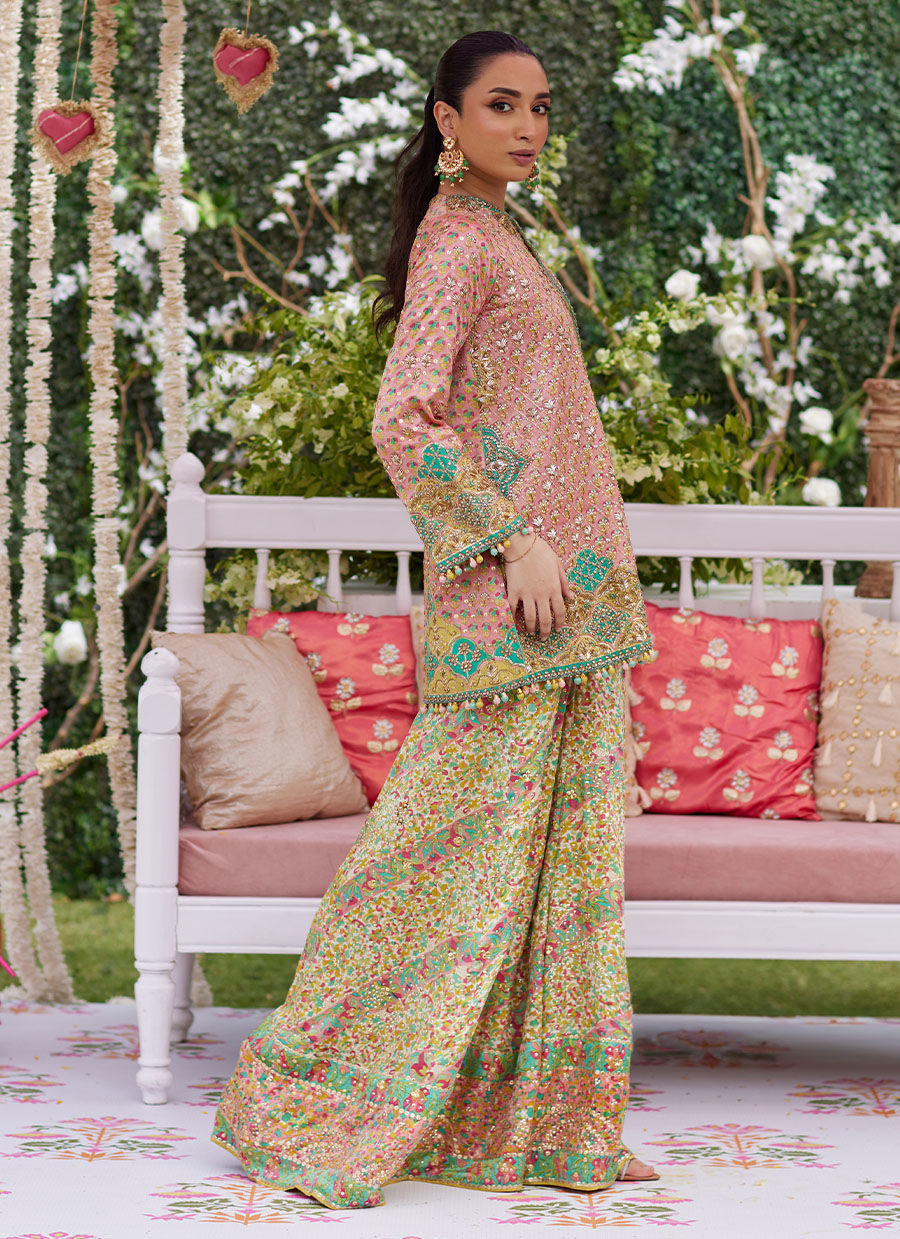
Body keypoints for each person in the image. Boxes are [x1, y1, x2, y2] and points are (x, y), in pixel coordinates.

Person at [213, 29, 657, 1210]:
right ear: (447, 122)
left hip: (568, 611)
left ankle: (543, 1123)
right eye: (502, 105)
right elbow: (403, 417)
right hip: (512, 604)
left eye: (541, 107)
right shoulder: (458, 240)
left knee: (560, 875)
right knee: (437, 866)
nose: (529, 126)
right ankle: (314, 1095)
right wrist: (511, 538)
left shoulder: (498, 235)